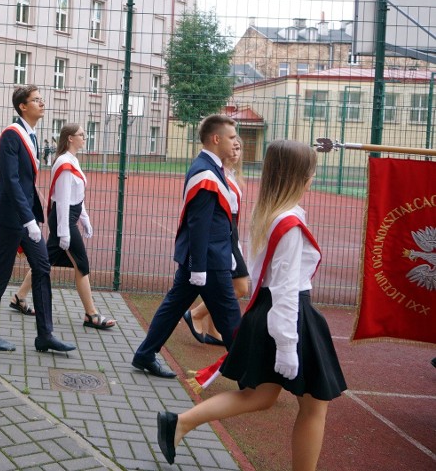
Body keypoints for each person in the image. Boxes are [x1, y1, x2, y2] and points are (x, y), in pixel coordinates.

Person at [155, 140, 347, 470]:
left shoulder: (271, 214)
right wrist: (288, 345)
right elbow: (286, 290)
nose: (314, 176)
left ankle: (180, 423)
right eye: (311, 170)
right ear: (300, 175)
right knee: (315, 405)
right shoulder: (289, 223)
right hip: (289, 316)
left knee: (260, 396)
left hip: (270, 313)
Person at [132, 114, 241, 378]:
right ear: (216, 139)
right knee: (230, 318)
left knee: (173, 307)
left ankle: (145, 354)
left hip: (209, 257)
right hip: (209, 261)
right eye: (231, 137)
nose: (235, 141)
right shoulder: (205, 172)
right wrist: (198, 267)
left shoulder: (211, 167)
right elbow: (199, 224)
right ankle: (247, 373)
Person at [0, 85, 75, 354]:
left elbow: (26, 181)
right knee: (2, 271)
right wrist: (28, 220)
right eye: (36, 100)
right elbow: (10, 180)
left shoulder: (30, 135)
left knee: (42, 267)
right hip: (12, 216)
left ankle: (45, 335)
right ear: (22, 106)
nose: (42, 104)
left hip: (24, 215)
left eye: (41, 100)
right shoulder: (12, 135)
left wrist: (31, 216)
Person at [9, 123, 116, 330]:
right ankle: (91, 314)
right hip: (63, 220)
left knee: (44, 261)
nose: (84, 138)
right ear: (69, 138)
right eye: (81, 135)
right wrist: (65, 232)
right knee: (82, 265)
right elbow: (64, 200)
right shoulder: (65, 163)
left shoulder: (72, 160)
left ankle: (18, 298)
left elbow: (77, 196)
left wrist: (84, 217)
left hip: (67, 218)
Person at [184, 136, 249, 345]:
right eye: (233, 146)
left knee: (224, 286)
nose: (236, 151)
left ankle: (213, 331)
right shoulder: (217, 174)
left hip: (231, 232)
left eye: (239, 148)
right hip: (224, 235)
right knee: (240, 287)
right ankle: (196, 314)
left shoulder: (231, 175)